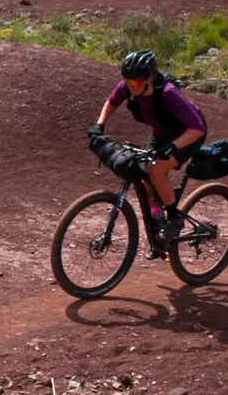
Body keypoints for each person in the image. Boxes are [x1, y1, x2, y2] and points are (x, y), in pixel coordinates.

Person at [89, 50, 207, 255]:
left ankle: (174, 216)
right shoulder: (130, 86)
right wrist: (99, 125)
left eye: (135, 83)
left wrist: (173, 147)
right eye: (127, 82)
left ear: (149, 78)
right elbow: (112, 101)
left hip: (187, 134)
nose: (130, 87)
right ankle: (157, 218)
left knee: (156, 170)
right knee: (142, 171)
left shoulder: (169, 94)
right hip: (162, 133)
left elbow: (197, 128)